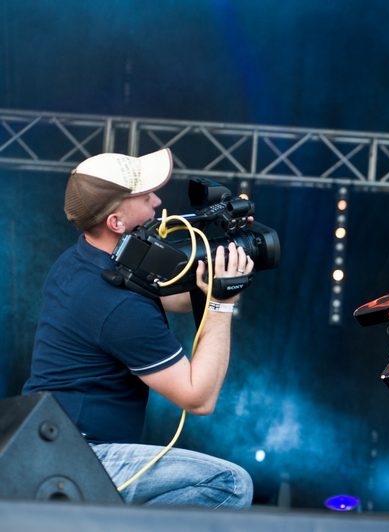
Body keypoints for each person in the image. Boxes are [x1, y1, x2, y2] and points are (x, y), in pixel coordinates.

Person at [23, 148, 254, 508]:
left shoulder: (83, 261)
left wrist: (215, 274)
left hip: (46, 445)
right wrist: (221, 304)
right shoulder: (115, 304)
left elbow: (163, 298)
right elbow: (198, 398)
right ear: (116, 222)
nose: (158, 201)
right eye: (145, 198)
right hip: (79, 458)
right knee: (230, 484)